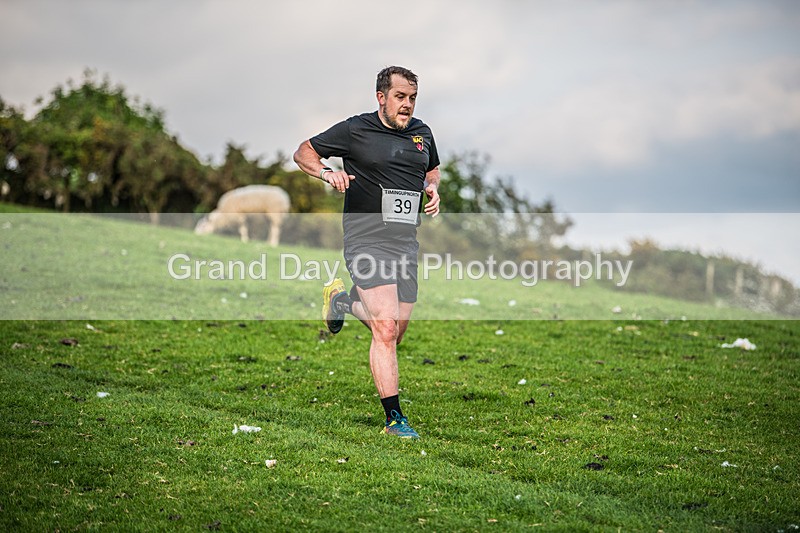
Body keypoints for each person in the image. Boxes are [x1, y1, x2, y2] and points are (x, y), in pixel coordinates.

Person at [293, 66, 440, 439]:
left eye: (412, 98)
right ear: (381, 97)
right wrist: (327, 173)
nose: (407, 105)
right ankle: (395, 420)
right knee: (386, 329)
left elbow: (432, 168)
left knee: (396, 331)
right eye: (400, 97)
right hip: (365, 238)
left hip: (405, 242)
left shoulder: (422, 134)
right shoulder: (355, 130)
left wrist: (431, 188)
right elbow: (303, 152)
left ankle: (341, 301)